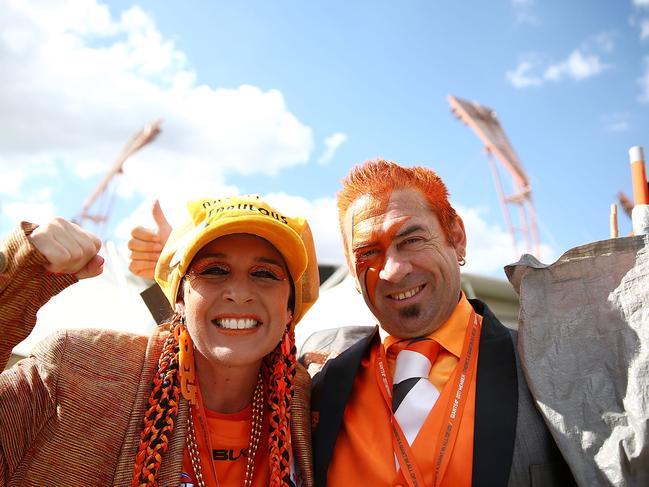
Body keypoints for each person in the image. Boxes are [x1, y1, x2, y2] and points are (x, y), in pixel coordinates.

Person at [127, 161, 576, 487]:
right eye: (368, 252)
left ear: (455, 236)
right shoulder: (321, 368)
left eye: (412, 239)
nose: (394, 270)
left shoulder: (550, 369)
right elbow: (222, 346)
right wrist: (179, 269)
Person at [0, 194, 319, 487]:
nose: (238, 293)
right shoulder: (76, 372)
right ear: (178, 299)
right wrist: (17, 274)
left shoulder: (315, 404)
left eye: (264, 274)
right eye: (214, 270)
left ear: (290, 307)